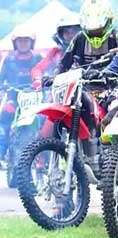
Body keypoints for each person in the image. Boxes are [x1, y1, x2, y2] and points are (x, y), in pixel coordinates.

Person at [57, 0, 117, 170]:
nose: (95, 35)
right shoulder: (79, 39)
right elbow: (63, 63)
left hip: (113, 87)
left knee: (112, 115)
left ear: (108, 24)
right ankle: (65, 153)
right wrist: (53, 77)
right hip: (85, 86)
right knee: (65, 109)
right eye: (92, 31)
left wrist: (107, 72)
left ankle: (108, 158)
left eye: (98, 31)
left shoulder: (116, 37)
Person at [0, 26, 42, 170]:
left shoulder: (38, 58)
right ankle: (1, 152)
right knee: (5, 115)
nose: (23, 43)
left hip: (35, 98)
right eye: (20, 41)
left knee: (44, 119)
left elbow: (47, 72)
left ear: (31, 43)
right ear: (15, 43)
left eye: (26, 41)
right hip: (13, 97)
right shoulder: (8, 60)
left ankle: (43, 155)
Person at [32, 14, 81, 87]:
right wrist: (38, 79)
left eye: (74, 31)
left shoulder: (87, 49)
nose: (71, 35)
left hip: (84, 87)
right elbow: (39, 68)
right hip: (59, 91)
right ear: (61, 34)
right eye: (66, 32)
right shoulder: (55, 52)